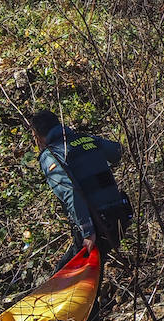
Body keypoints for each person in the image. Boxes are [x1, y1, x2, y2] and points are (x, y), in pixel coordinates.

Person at [30, 110, 132, 274]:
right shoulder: (87, 139)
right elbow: (117, 152)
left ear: (38, 136)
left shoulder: (51, 155)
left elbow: (71, 191)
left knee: (65, 276)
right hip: (120, 215)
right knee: (91, 272)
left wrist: (88, 232)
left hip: (98, 223)